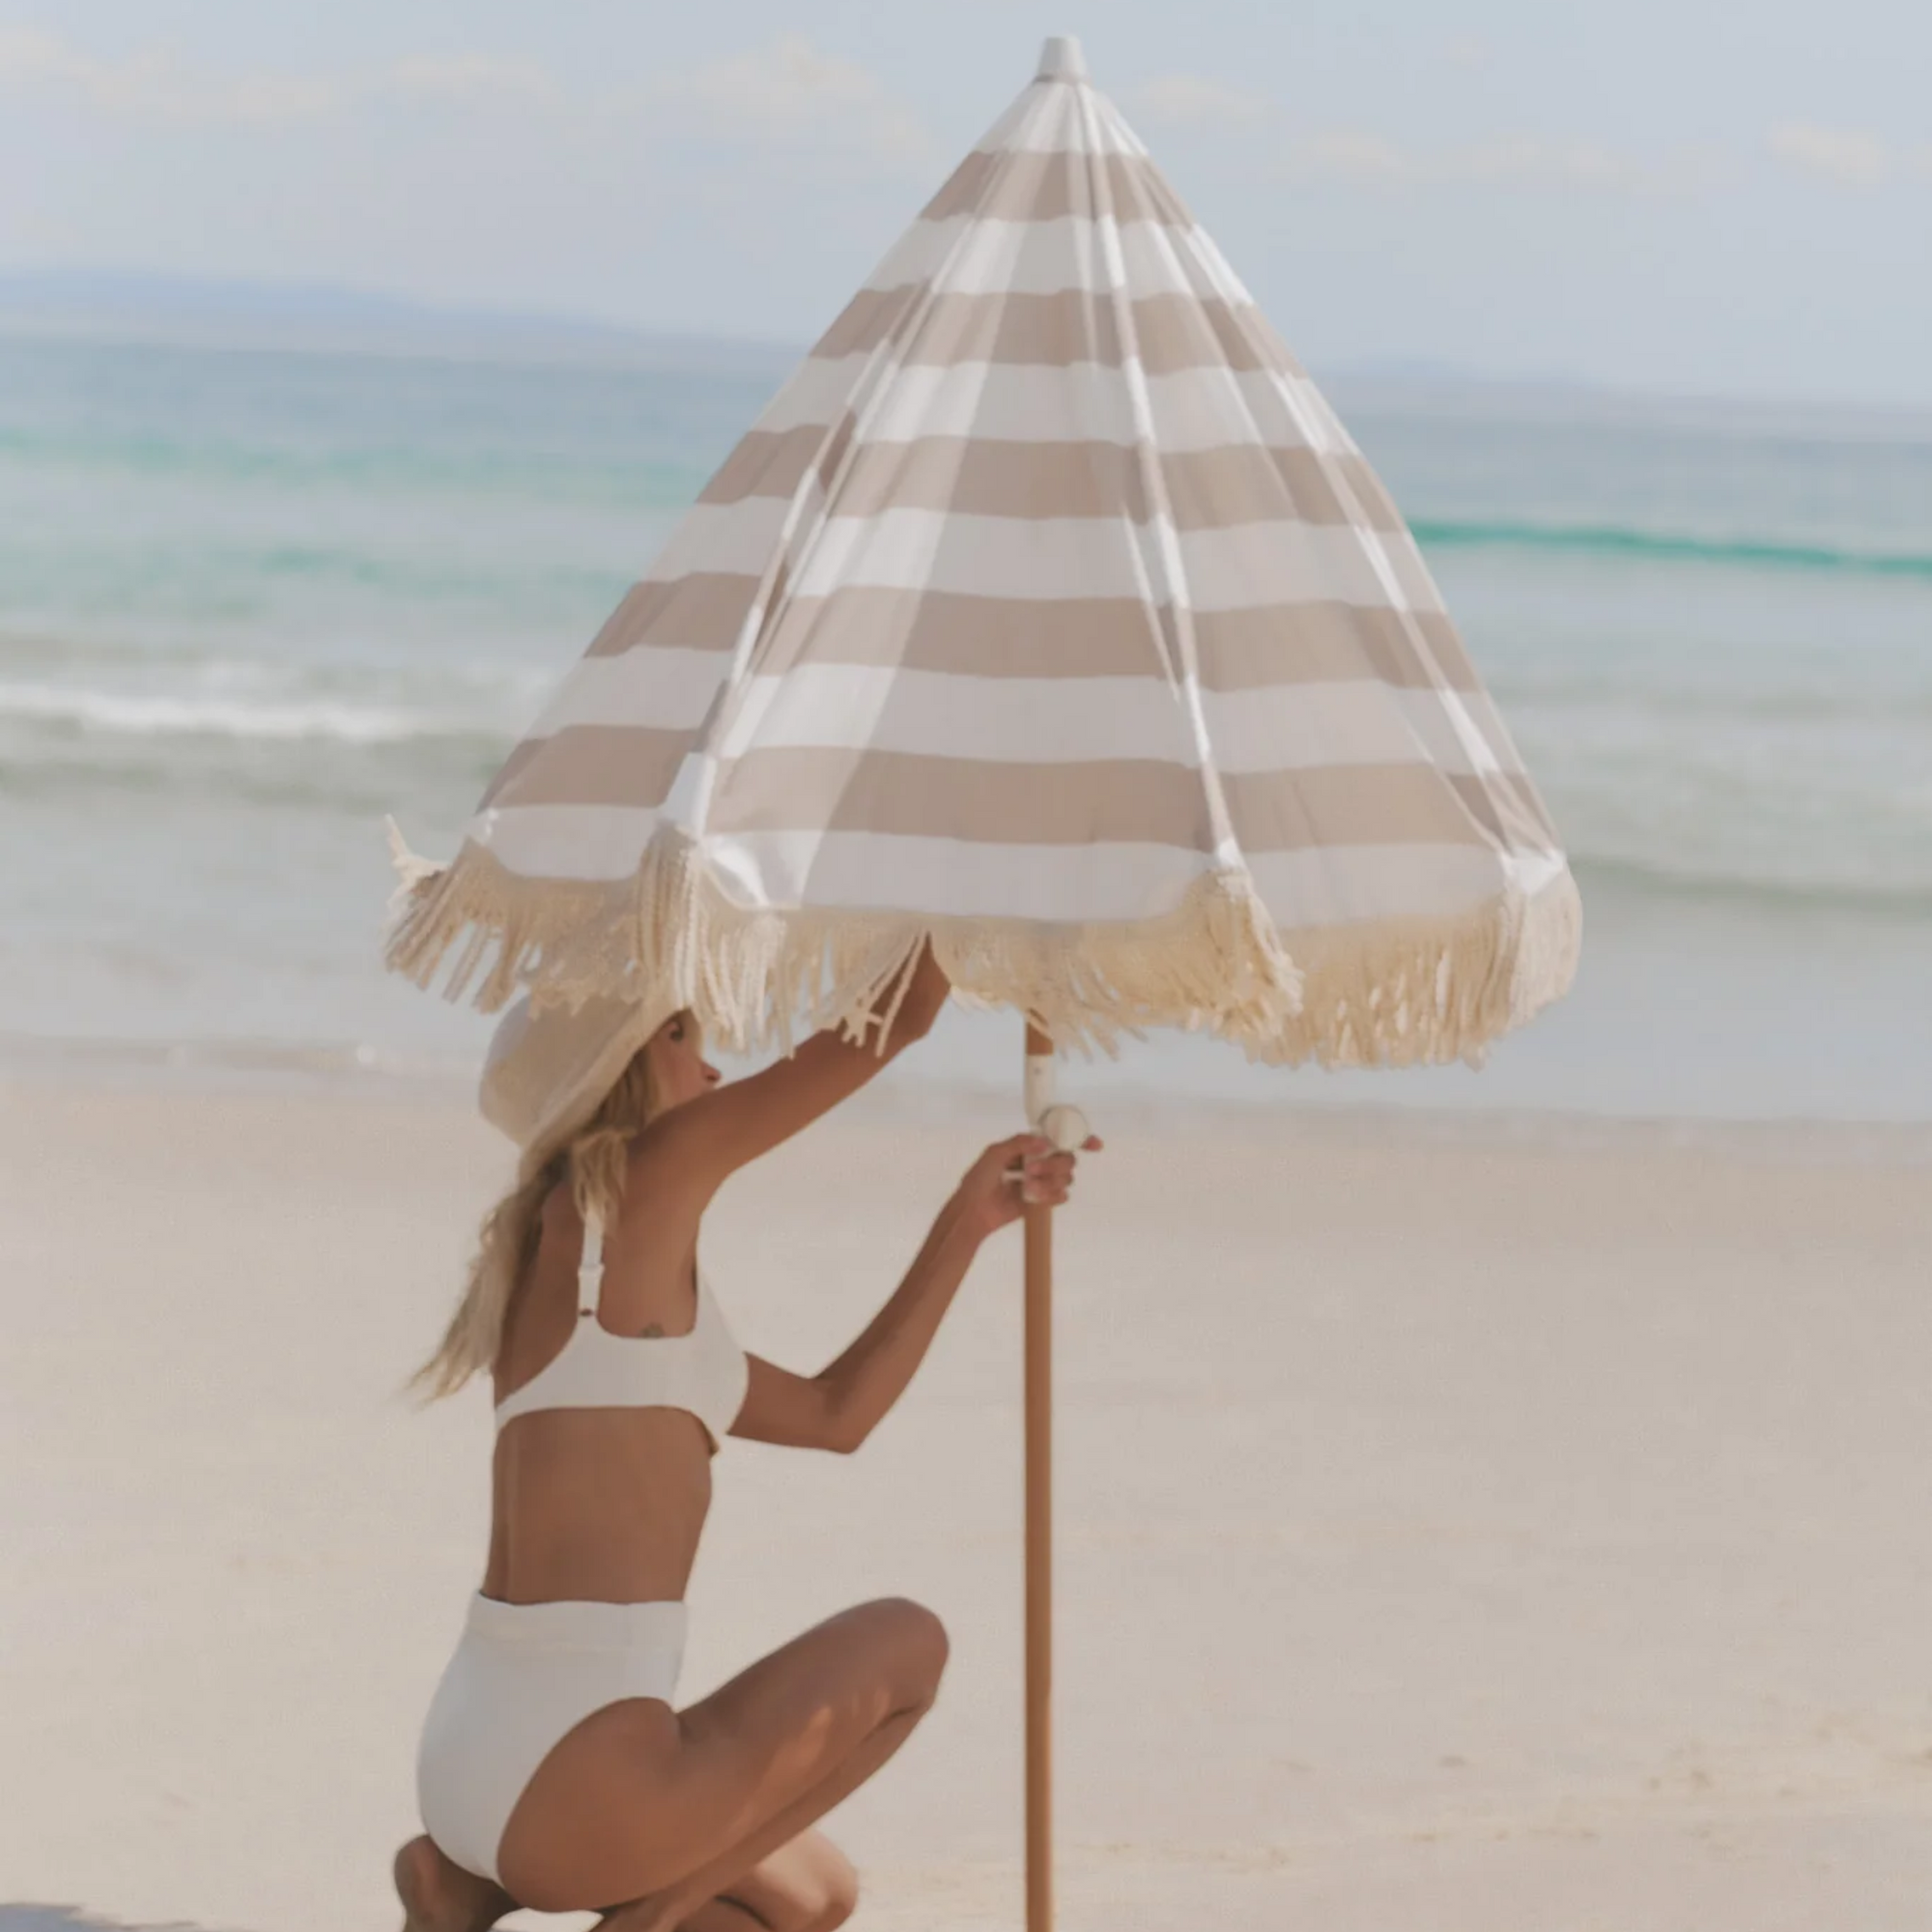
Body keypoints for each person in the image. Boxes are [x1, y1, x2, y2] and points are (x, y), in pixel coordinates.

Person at [393, 948, 1095, 1932]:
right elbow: (889, 1025)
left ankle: (466, 1885)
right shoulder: (634, 1185)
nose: (712, 1066)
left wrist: (969, 1219)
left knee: (814, 1895)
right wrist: (958, 894)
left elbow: (837, 1414)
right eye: (681, 1036)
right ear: (616, 1076)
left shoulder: (582, 1277)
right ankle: (639, 1918)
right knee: (909, 1641)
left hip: (472, 1754)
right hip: (575, 1771)